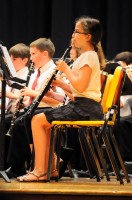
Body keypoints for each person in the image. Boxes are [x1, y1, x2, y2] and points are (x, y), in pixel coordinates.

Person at [17, 15, 105, 182]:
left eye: (76, 31)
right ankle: (51, 168)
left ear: (88, 36)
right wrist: (61, 84)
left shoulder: (88, 56)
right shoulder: (87, 56)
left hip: (85, 108)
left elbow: (80, 86)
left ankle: (40, 170)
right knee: (41, 121)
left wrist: (65, 70)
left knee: (37, 120)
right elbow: (80, 89)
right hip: (83, 104)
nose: (73, 35)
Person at [5, 38, 65, 178]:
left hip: (50, 110)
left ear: (44, 54)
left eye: (33, 54)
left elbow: (57, 101)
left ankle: (19, 166)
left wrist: (32, 94)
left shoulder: (54, 71)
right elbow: (33, 98)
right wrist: (25, 101)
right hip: (36, 108)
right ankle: (16, 165)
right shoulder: (36, 72)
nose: (30, 58)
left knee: (20, 123)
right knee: (12, 121)